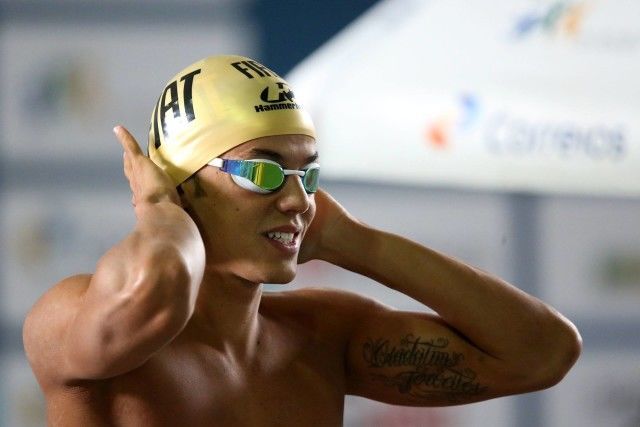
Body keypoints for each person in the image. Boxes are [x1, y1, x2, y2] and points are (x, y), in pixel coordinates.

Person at [23, 55, 581, 426]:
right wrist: (157, 209)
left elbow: (541, 353)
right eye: (264, 173)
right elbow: (160, 291)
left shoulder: (318, 337)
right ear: (181, 187)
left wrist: (351, 240)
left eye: (307, 175)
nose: (297, 200)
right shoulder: (72, 319)